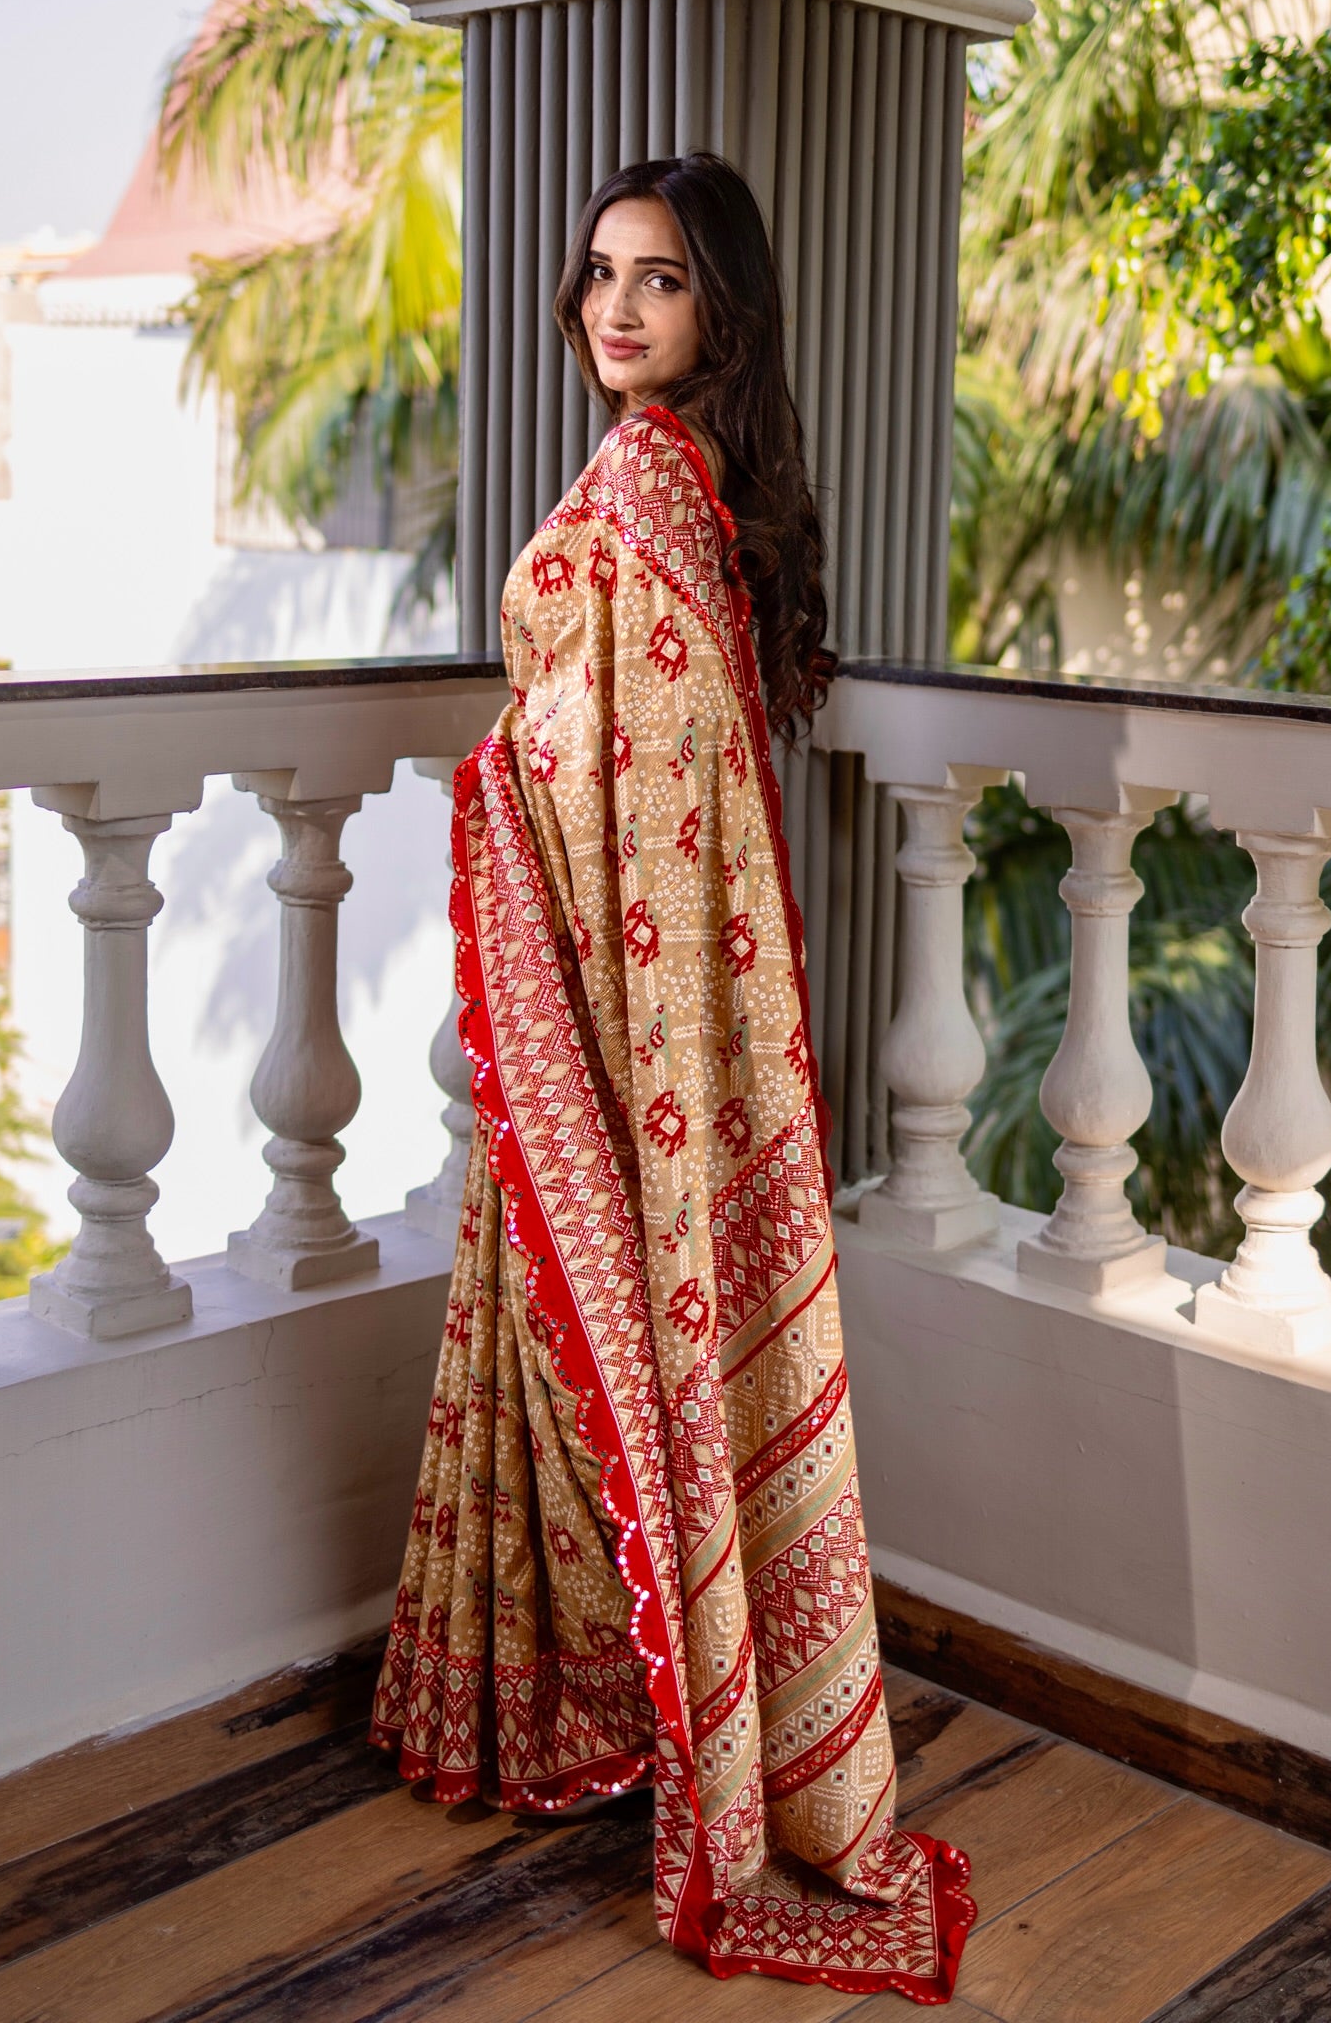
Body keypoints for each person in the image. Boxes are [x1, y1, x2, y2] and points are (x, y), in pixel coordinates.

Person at [370, 152, 974, 2002]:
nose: (617, 310)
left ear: (724, 313)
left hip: (605, 1020)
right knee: (614, 1356)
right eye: (601, 277)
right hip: (639, 1021)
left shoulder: (639, 494)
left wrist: (495, 778)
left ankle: (588, 1721)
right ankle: (624, 1710)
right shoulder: (697, 494)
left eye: (663, 283)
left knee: (582, 1351)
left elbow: (598, 762)